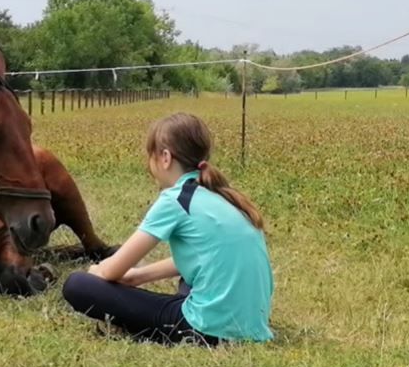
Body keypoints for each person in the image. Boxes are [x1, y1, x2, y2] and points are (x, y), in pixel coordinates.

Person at [62, 112, 274, 345]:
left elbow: (110, 271)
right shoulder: (221, 196)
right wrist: (138, 276)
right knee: (188, 280)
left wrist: (97, 273)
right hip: (252, 327)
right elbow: (205, 256)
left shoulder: (175, 200)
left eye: (149, 156)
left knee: (78, 285)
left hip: (205, 330)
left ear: (165, 157)